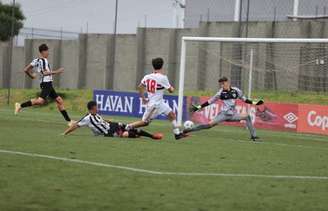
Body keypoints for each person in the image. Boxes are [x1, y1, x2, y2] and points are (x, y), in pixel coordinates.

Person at [125, 57, 187, 140]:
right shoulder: (163, 77)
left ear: (153, 66)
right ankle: (127, 127)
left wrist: (143, 98)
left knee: (172, 115)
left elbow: (140, 87)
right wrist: (171, 87)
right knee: (145, 122)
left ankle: (177, 134)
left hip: (159, 103)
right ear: (162, 66)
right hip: (154, 105)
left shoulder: (147, 77)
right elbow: (171, 90)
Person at [185, 76, 263, 141]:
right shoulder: (220, 93)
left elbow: (245, 100)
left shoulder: (236, 91)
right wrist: (198, 107)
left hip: (232, 115)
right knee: (208, 125)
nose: (222, 86)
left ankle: (254, 136)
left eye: (223, 84)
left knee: (247, 116)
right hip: (223, 114)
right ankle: (188, 130)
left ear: (227, 82)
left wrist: (255, 103)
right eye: (220, 84)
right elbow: (210, 101)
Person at [15, 43, 74, 126]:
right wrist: (57, 71)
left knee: (59, 100)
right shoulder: (43, 60)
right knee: (40, 101)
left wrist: (31, 76)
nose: (48, 53)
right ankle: (20, 105)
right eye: (47, 51)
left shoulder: (36, 60)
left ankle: (69, 121)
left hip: (47, 83)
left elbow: (26, 70)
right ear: (43, 51)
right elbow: (44, 73)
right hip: (46, 84)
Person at [63, 101, 163, 140]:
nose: (98, 108)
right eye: (96, 107)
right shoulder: (87, 118)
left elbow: (101, 120)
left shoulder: (96, 114)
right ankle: (138, 136)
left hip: (112, 125)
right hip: (108, 132)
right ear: (92, 108)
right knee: (125, 134)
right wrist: (65, 133)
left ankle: (152, 136)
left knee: (130, 127)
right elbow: (75, 125)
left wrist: (108, 120)